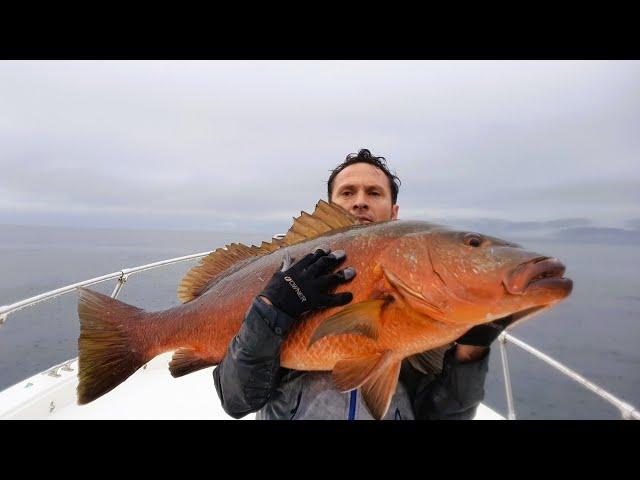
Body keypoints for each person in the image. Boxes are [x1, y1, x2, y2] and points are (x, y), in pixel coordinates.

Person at [213, 149, 512, 419]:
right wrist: (272, 309)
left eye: (374, 193)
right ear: (330, 207)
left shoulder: (427, 305)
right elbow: (236, 400)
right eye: (347, 193)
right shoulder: (287, 274)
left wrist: (470, 353)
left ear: (394, 213)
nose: (360, 202)